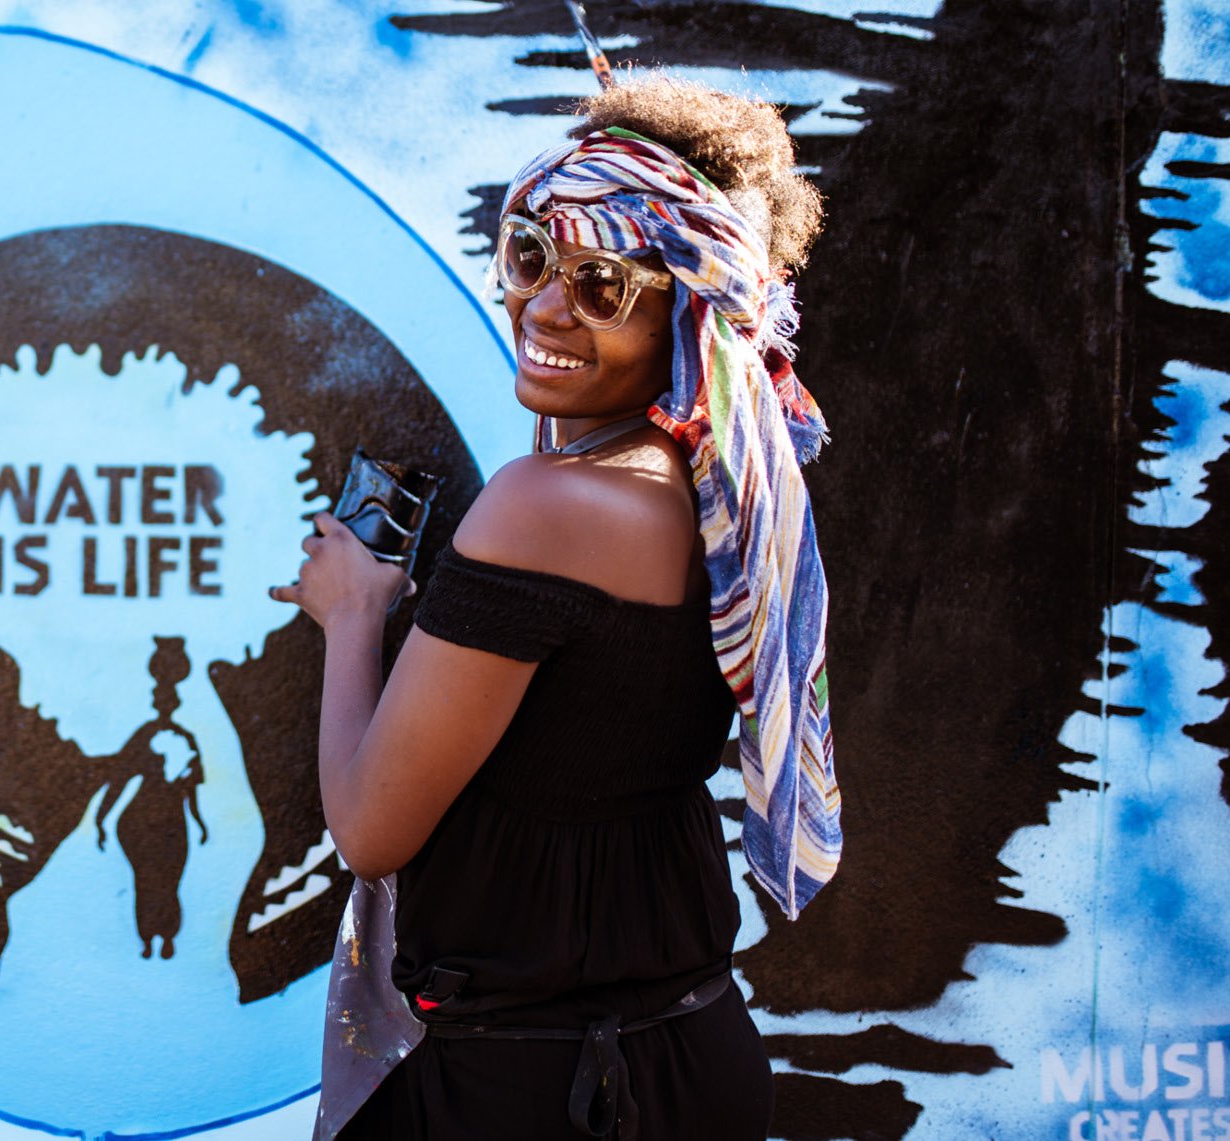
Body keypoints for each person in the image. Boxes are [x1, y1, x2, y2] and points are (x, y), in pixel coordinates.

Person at [270, 76, 843, 1140]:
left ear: (691, 310)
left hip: (535, 1090)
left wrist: (352, 614)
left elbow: (369, 828)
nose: (542, 305)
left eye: (602, 283)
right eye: (530, 255)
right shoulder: (721, 490)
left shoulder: (545, 505)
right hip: (691, 1056)